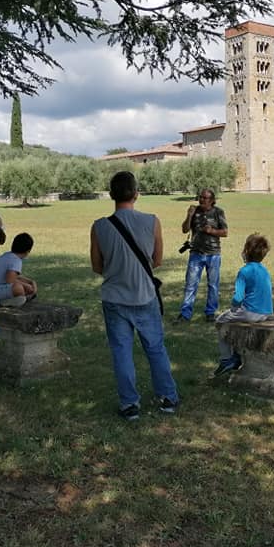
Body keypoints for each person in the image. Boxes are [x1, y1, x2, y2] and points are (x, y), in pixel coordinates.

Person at [91, 171, 180, 420]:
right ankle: (168, 397)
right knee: (155, 348)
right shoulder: (152, 221)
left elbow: (97, 266)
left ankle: (129, 404)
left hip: (114, 297)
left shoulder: (99, 227)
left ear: (111, 195)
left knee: (121, 351)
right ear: (136, 194)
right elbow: (158, 260)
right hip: (144, 295)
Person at [214, 233, 274, 377]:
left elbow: (238, 297)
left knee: (221, 321)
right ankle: (237, 353)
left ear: (246, 251)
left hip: (250, 312)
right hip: (265, 312)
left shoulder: (244, 271)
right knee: (235, 321)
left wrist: (233, 308)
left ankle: (227, 358)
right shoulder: (264, 270)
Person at [177, 187, 228, 323]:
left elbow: (225, 232)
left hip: (213, 254)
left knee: (213, 285)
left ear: (212, 201)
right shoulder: (195, 211)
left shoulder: (218, 212)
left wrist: (211, 231)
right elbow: (184, 229)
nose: (202, 200)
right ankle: (185, 314)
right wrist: (189, 215)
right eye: (200, 197)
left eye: (205, 198)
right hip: (196, 253)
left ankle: (210, 313)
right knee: (191, 284)